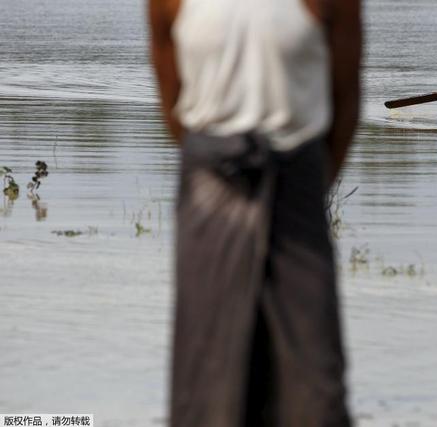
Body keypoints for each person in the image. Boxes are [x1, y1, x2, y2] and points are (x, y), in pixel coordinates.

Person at [148, 0, 361, 425]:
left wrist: (303, 187)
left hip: (297, 184)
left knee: (314, 373)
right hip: (211, 187)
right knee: (207, 366)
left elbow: (345, 98)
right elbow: (174, 106)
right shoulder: (167, 3)